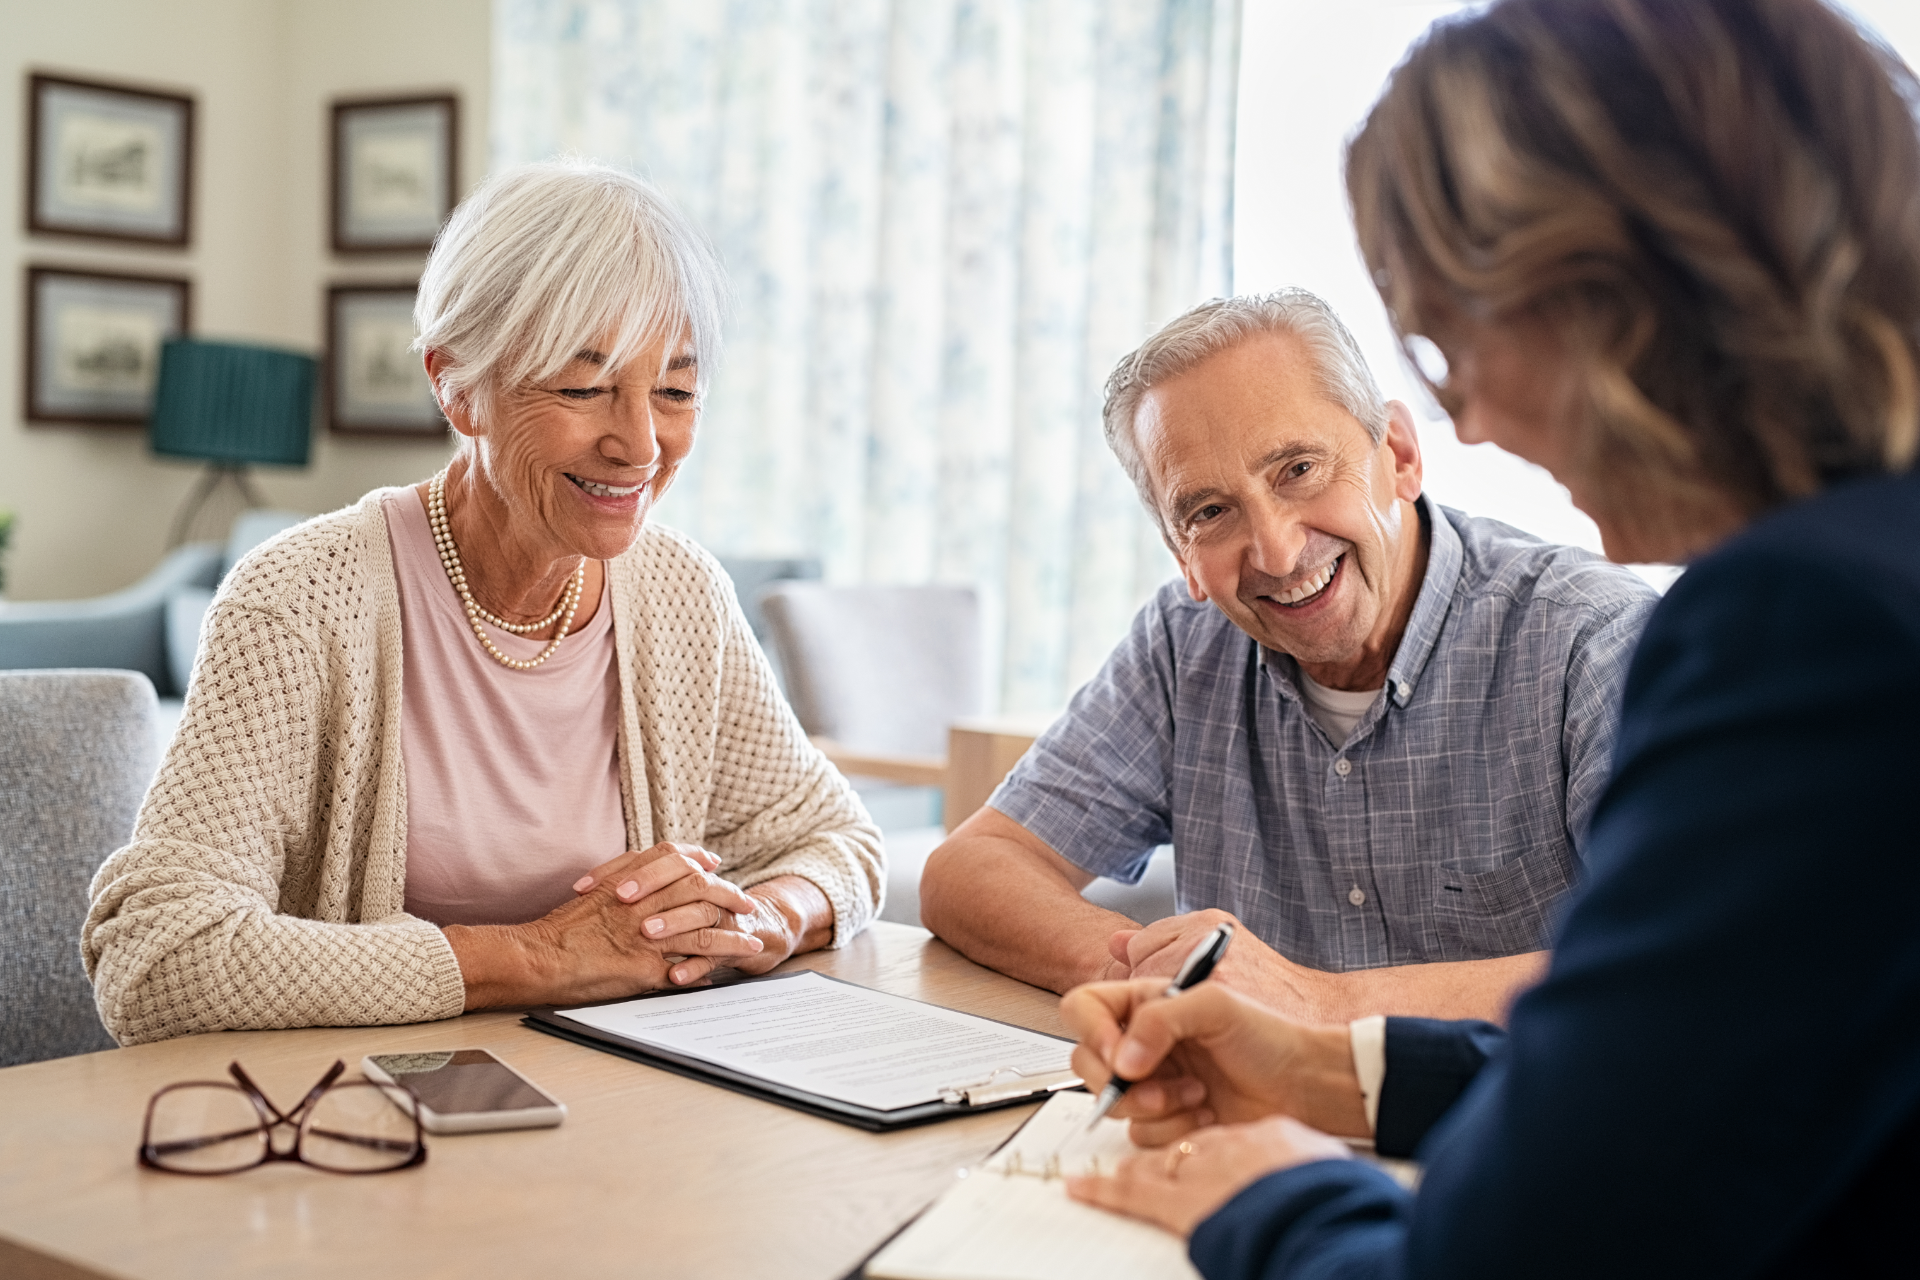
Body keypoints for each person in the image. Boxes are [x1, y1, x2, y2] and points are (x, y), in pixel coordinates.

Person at [1060, 0, 1920, 1272]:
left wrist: (1266, 1197)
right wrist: (1328, 1071)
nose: (1465, 409)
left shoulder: (1803, 633)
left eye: (1449, 326)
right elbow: (1691, 1077)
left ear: (1606, 290)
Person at [83, 162, 884, 1046]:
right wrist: (543, 958)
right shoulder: (299, 601)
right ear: (457, 385)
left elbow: (838, 843)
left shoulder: (681, 592)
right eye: (584, 389)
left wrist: (758, 922)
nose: (641, 445)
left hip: (636, 1107)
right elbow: (157, 960)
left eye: (676, 391)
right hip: (372, 1115)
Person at [920, 290, 1656, 1024]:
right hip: (1247, 1132)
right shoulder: (1185, 646)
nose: (1275, 550)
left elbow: (1685, 961)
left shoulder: (1593, 641)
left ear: (1397, 456)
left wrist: (1315, 1003)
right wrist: (1171, 977)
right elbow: (969, 870)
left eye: (1298, 469)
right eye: (1210, 512)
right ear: (1184, 555)